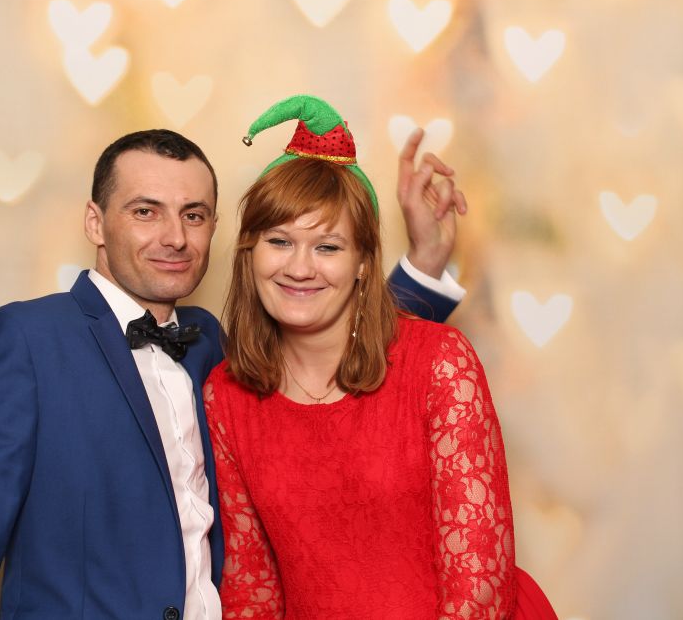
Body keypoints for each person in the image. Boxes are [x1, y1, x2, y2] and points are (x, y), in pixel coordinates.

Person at [0, 121, 466, 619]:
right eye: (145, 211)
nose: (174, 237)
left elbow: (327, 352)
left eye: (193, 215)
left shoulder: (212, 345)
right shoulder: (25, 341)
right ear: (95, 222)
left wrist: (424, 264)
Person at [204, 97, 559, 618]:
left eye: (327, 247)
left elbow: (478, 588)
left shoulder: (440, 363)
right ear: (249, 252)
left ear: (364, 264)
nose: (299, 267)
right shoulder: (226, 394)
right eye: (279, 241)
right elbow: (251, 587)